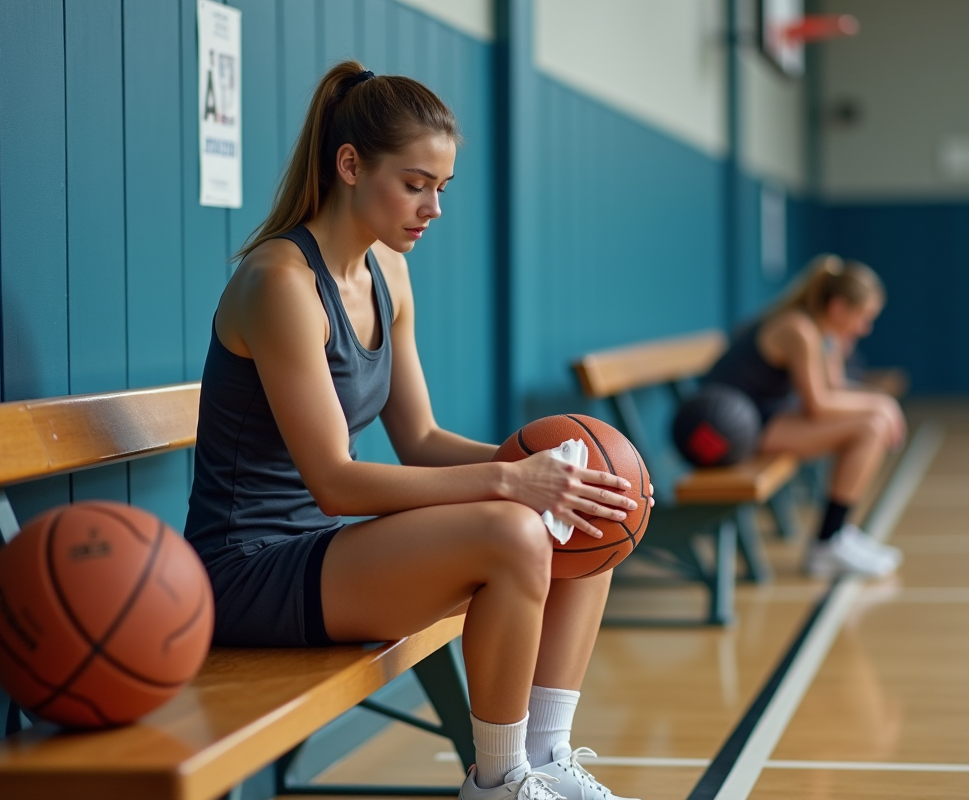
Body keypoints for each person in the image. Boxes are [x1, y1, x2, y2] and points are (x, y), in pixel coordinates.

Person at [184, 61, 650, 800]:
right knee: (517, 531)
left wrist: (561, 479)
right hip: (247, 570)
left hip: (323, 555)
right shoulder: (280, 284)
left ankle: (546, 752)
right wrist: (511, 480)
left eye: (442, 187)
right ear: (349, 166)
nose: (433, 207)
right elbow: (335, 483)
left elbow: (421, 440)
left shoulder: (388, 273)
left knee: (594, 504)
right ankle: (498, 782)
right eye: (415, 183)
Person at [704, 255, 905, 578]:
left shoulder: (821, 332)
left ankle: (838, 534)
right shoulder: (798, 329)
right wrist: (884, 404)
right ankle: (828, 543)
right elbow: (819, 405)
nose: (865, 328)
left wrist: (840, 343)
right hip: (729, 430)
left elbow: (835, 388)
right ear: (839, 308)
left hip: (761, 417)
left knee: (873, 424)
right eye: (863, 317)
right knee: (870, 427)